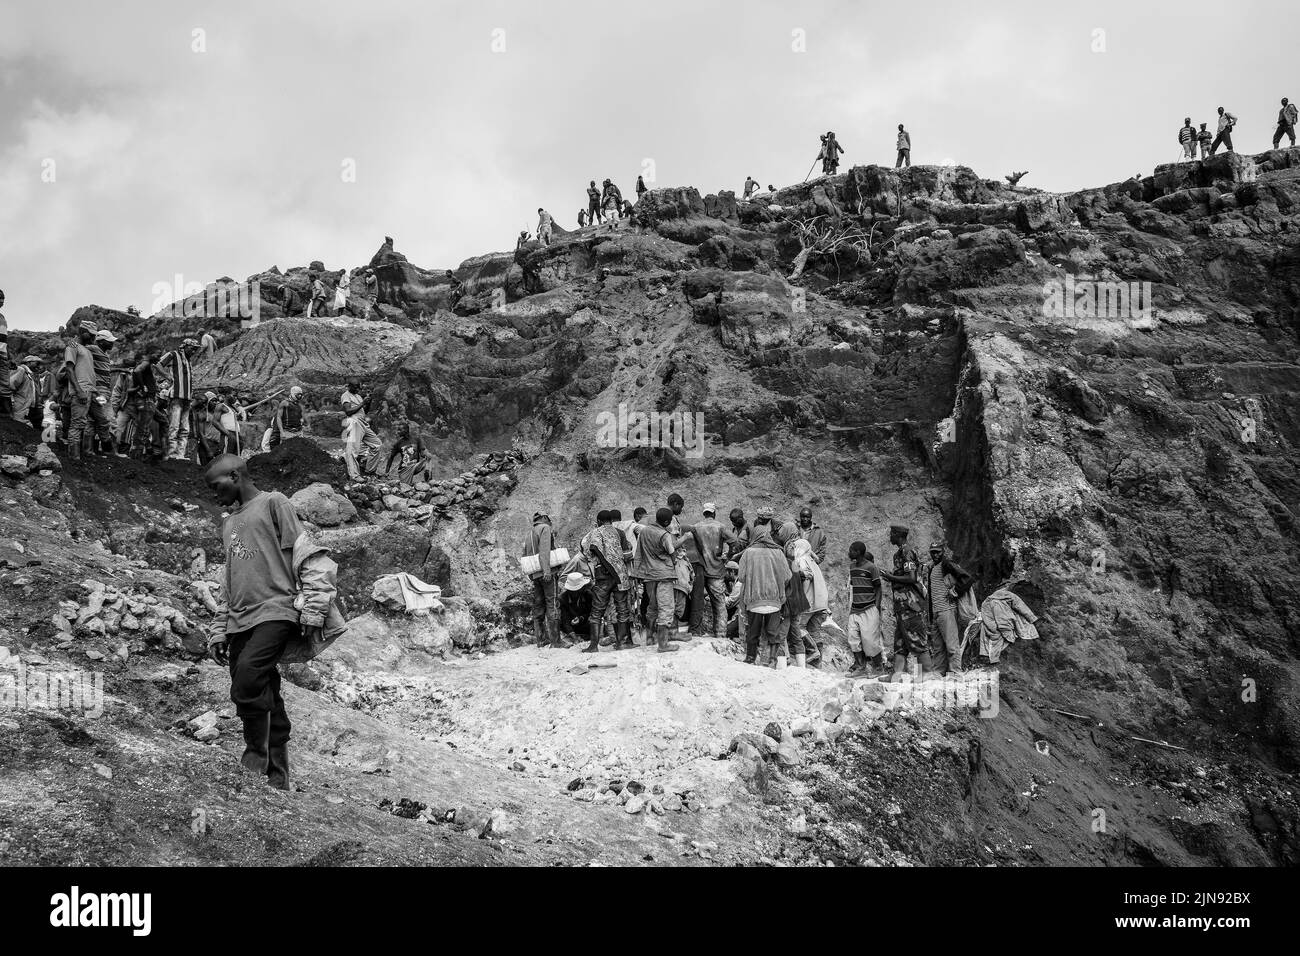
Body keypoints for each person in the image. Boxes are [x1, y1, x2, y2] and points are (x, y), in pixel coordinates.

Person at [205, 454, 345, 791]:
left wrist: (313, 608)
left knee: (247, 679)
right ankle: (277, 775)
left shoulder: (273, 502)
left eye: (216, 486)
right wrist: (219, 628)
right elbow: (230, 579)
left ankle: (255, 755)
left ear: (235, 475)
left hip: (277, 610)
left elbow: (306, 552)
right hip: (241, 619)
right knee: (262, 686)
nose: (214, 494)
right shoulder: (228, 522)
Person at [879, 524, 935, 681]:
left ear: (897, 535)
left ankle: (927, 672)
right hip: (902, 605)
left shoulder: (907, 551)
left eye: (891, 534)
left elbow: (911, 577)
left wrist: (891, 577)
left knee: (916, 637)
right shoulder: (898, 554)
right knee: (900, 641)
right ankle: (897, 675)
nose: (889, 536)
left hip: (911, 604)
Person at [737, 508, 792, 665]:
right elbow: (787, 576)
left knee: (753, 632)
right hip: (775, 601)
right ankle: (772, 660)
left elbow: (741, 577)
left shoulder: (748, 553)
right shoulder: (778, 552)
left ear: (754, 536)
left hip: (754, 601)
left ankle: (750, 658)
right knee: (773, 633)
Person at [630, 507, 680, 653]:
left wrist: (637, 572)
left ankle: (650, 638)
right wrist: (675, 563)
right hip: (664, 575)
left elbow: (638, 552)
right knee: (666, 608)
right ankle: (663, 645)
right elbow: (672, 553)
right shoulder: (664, 535)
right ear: (666, 521)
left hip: (648, 575)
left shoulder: (644, 531)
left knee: (652, 607)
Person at [584, 510, 634, 652]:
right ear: (611, 520)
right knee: (622, 609)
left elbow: (590, 549)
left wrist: (605, 563)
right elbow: (626, 554)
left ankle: (593, 646)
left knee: (597, 611)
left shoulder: (595, 532)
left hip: (603, 576)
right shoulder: (620, 533)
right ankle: (622, 643)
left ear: (599, 521)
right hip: (620, 576)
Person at [924, 542, 975, 675]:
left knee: (951, 645)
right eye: (933, 552)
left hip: (946, 609)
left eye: (938, 552)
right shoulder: (933, 567)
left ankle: (955, 673)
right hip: (936, 612)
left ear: (943, 551)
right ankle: (938, 672)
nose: (935, 554)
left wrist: (956, 590)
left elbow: (967, 578)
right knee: (938, 647)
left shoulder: (946, 564)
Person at [523, 511, 563, 648]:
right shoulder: (545, 528)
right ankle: (556, 642)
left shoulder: (530, 532)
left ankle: (541, 640)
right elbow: (544, 551)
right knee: (553, 604)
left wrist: (531, 574)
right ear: (545, 519)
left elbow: (525, 555)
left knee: (539, 606)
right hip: (546, 573)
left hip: (535, 574)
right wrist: (546, 570)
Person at [61, 325, 99, 462]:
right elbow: (69, 370)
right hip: (81, 391)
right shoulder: (72, 346)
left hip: (90, 391)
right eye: (91, 334)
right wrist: (79, 390)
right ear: (82, 332)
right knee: (76, 425)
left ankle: (86, 453)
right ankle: (74, 458)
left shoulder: (87, 350)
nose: (94, 337)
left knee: (91, 422)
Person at [846, 542, 885, 676]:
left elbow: (878, 588)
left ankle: (878, 668)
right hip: (855, 609)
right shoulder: (852, 567)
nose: (849, 552)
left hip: (869, 608)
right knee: (853, 639)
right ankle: (861, 667)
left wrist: (877, 607)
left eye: (851, 550)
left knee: (870, 642)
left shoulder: (871, 567)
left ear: (858, 552)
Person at [157, 337, 198, 460]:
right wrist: (167, 376)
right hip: (176, 396)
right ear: (184, 346)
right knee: (174, 426)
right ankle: (171, 453)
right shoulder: (173, 354)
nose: (194, 351)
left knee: (185, 428)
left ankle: (180, 454)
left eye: (195, 349)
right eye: (192, 348)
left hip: (187, 398)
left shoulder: (189, 360)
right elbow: (158, 364)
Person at [112, 351, 158, 458]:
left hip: (141, 408)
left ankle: (138, 457)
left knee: (142, 432)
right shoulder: (125, 375)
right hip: (127, 406)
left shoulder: (149, 375)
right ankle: (114, 453)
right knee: (117, 428)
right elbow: (118, 391)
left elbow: (153, 391)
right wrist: (114, 408)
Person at [694, 503, 729, 641]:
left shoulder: (696, 527)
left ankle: (697, 632)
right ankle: (720, 635)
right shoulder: (721, 526)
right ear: (714, 513)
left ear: (704, 513)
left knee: (697, 602)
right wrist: (727, 555)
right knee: (719, 604)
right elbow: (735, 541)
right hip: (716, 570)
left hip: (700, 570)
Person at [385, 421, 433, 485]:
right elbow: (391, 457)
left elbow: (422, 453)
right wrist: (386, 472)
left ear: (406, 430)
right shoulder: (398, 443)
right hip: (404, 469)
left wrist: (426, 454)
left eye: (399, 430)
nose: (397, 432)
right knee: (405, 487)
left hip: (415, 466)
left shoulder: (416, 439)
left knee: (428, 460)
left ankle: (429, 482)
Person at [559, 570, 594, 643]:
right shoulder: (562, 598)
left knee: (594, 621)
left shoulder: (588, 595)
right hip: (569, 627)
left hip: (584, 624)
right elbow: (564, 619)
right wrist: (575, 638)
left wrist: (581, 618)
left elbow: (590, 612)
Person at [10, 355, 41, 427]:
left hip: (24, 406)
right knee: (16, 426)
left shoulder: (29, 374)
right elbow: (11, 385)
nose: (39, 366)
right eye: (37, 363)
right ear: (29, 362)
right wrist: (11, 400)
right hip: (18, 405)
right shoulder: (21, 370)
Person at [722, 560, 743, 642]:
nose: (724, 574)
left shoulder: (739, 585)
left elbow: (729, 603)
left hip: (740, 615)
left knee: (725, 632)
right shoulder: (735, 582)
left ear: (732, 572)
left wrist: (719, 597)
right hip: (740, 613)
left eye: (726, 572)